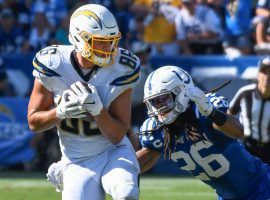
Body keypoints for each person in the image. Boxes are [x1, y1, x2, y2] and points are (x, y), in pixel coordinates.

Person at [27, 4, 140, 200]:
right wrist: (60, 112)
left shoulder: (122, 68)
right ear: (79, 39)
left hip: (113, 151)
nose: (109, 48)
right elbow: (33, 122)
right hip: (77, 159)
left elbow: (117, 134)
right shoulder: (53, 63)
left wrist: (98, 111)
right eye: (100, 42)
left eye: (111, 41)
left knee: (126, 193)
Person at [136, 65, 270, 199]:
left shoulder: (202, 111)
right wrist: (118, 169)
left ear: (181, 92)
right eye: (154, 102)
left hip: (261, 186)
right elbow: (143, 159)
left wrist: (211, 112)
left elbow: (238, 132)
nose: (159, 108)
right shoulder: (159, 132)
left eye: (164, 99)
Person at [228, 56, 270, 165]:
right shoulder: (245, 93)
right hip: (247, 148)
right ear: (258, 74)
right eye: (264, 72)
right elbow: (229, 116)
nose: (267, 77)